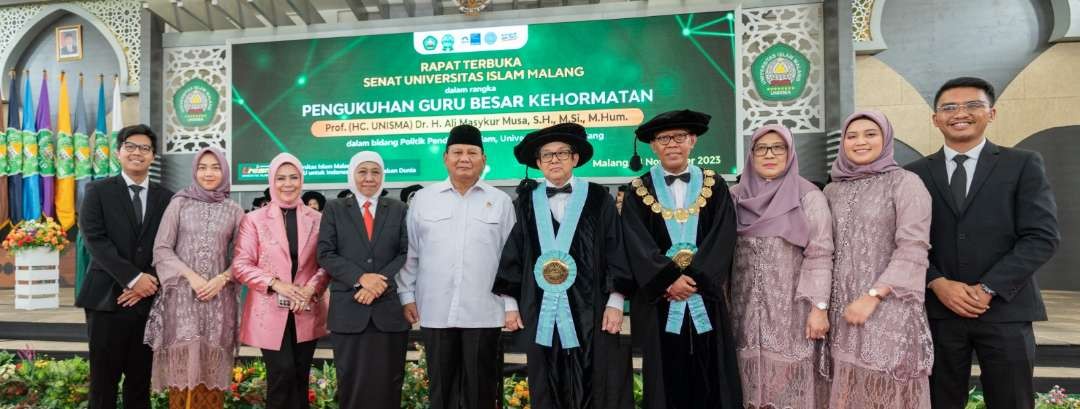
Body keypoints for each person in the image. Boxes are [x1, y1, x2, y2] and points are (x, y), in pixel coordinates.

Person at [905, 77, 1059, 409]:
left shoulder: (1022, 164)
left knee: (1012, 401)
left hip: (1005, 309)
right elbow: (903, 242)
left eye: (972, 105)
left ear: (992, 113)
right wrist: (937, 282)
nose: (960, 113)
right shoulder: (912, 174)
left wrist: (988, 287)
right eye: (949, 107)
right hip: (938, 313)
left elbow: (1041, 236)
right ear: (935, 119)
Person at [494, 123, 635, 409]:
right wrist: (510, 305)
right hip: (541, 307)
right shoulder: (525, 202)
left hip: (591, 308)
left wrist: (616, 301)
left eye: (562, 153)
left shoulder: (599, 199)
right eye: (547, 155)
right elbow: (513, 254)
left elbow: (615, 249)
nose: (554, 160)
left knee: (593, 378)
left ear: (575, 158)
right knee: (545, 380)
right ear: (537, 163)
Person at [620, 110, 742, 409]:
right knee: (665, 378)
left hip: (706, 298)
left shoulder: (715, 185)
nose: (671, 144)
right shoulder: (639, 190)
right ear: (653, 146)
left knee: (712, 373)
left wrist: (696, 281)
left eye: (679, 137)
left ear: (693, 140)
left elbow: (723, 236)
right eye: (663, 138)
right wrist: (668, 281)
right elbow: (636, 242)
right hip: (662, 302)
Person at [396, 124, 514, 409]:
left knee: (481, 391)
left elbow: (511, 260)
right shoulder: (423, 199)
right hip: (435, 311)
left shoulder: (500, 201)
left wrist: (511, 306)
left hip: (484, 313)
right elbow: (410, 253)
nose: (465, 158)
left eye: (472, 152)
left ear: (484, 160)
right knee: (442, 390)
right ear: (445, 158)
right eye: (458, 152)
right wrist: (406, 296)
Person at [824, 110, 933, 409]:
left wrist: (873, 296)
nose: (860, 141)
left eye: (870, 134)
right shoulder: (832, 189)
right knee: (848, 393)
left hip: (888, 307)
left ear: (886, 139)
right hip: (843, 311)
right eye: (852, 135)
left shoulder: (906, 183)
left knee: (885, 392)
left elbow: (913, 248)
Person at [730, 124, 833, 409]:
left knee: (791, 390)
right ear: (751, 154)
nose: (769, 154)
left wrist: (819, 308)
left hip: (793, 315)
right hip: (744, 315)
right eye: (761, 148)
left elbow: (821, 254)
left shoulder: (808, 196)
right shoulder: (735, 197)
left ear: (790, 152)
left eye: (779, 147)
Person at [76, 124, 174, 409]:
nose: (137, 153)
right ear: (118, 152)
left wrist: (149, 282)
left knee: (139, 384)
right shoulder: (97, 191)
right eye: (130, 146)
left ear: (153, 156)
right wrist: (133, 279)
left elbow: (170, 245)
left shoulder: (167, 198)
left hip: (148, 303)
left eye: (144, 148)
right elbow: (95, 240)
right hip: (106, 300)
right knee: (103, 384)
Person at [144, 147, 244, 408]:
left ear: (224, 170)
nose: (208, 173)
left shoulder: (234, 210)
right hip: (182, 301)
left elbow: (243, 257)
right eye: (202, 167)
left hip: (218, 302)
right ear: (194, 171)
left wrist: (221, 279)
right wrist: (193, 278)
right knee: (183, 376)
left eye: (215, 167)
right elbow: (162, 248)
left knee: (210, 375)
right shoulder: (179, 203)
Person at [233, 153, 329, 409]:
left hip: (306, 307)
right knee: (281, 374)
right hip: (269, 309)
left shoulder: (318, 219)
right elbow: (241, 266)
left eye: (294, 177)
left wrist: (310, 288)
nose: (288, 184)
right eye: (281, 178)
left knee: (300, 375)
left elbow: (326, 263)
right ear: (271, 181)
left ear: (301, 180)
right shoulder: (253, 220)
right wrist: (276, 283)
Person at [317, 151, 410, 409]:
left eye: (375, 172)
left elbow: (406, 253)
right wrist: (360, 278)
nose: (369, 178)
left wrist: (378, 284)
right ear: (352, 174)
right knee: (352, 383)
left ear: (383, 176)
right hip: (349, 311)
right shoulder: (335, 209)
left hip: (388, 312)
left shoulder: (399, 209)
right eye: (363, 171)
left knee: (389, 382)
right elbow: (325, 253)